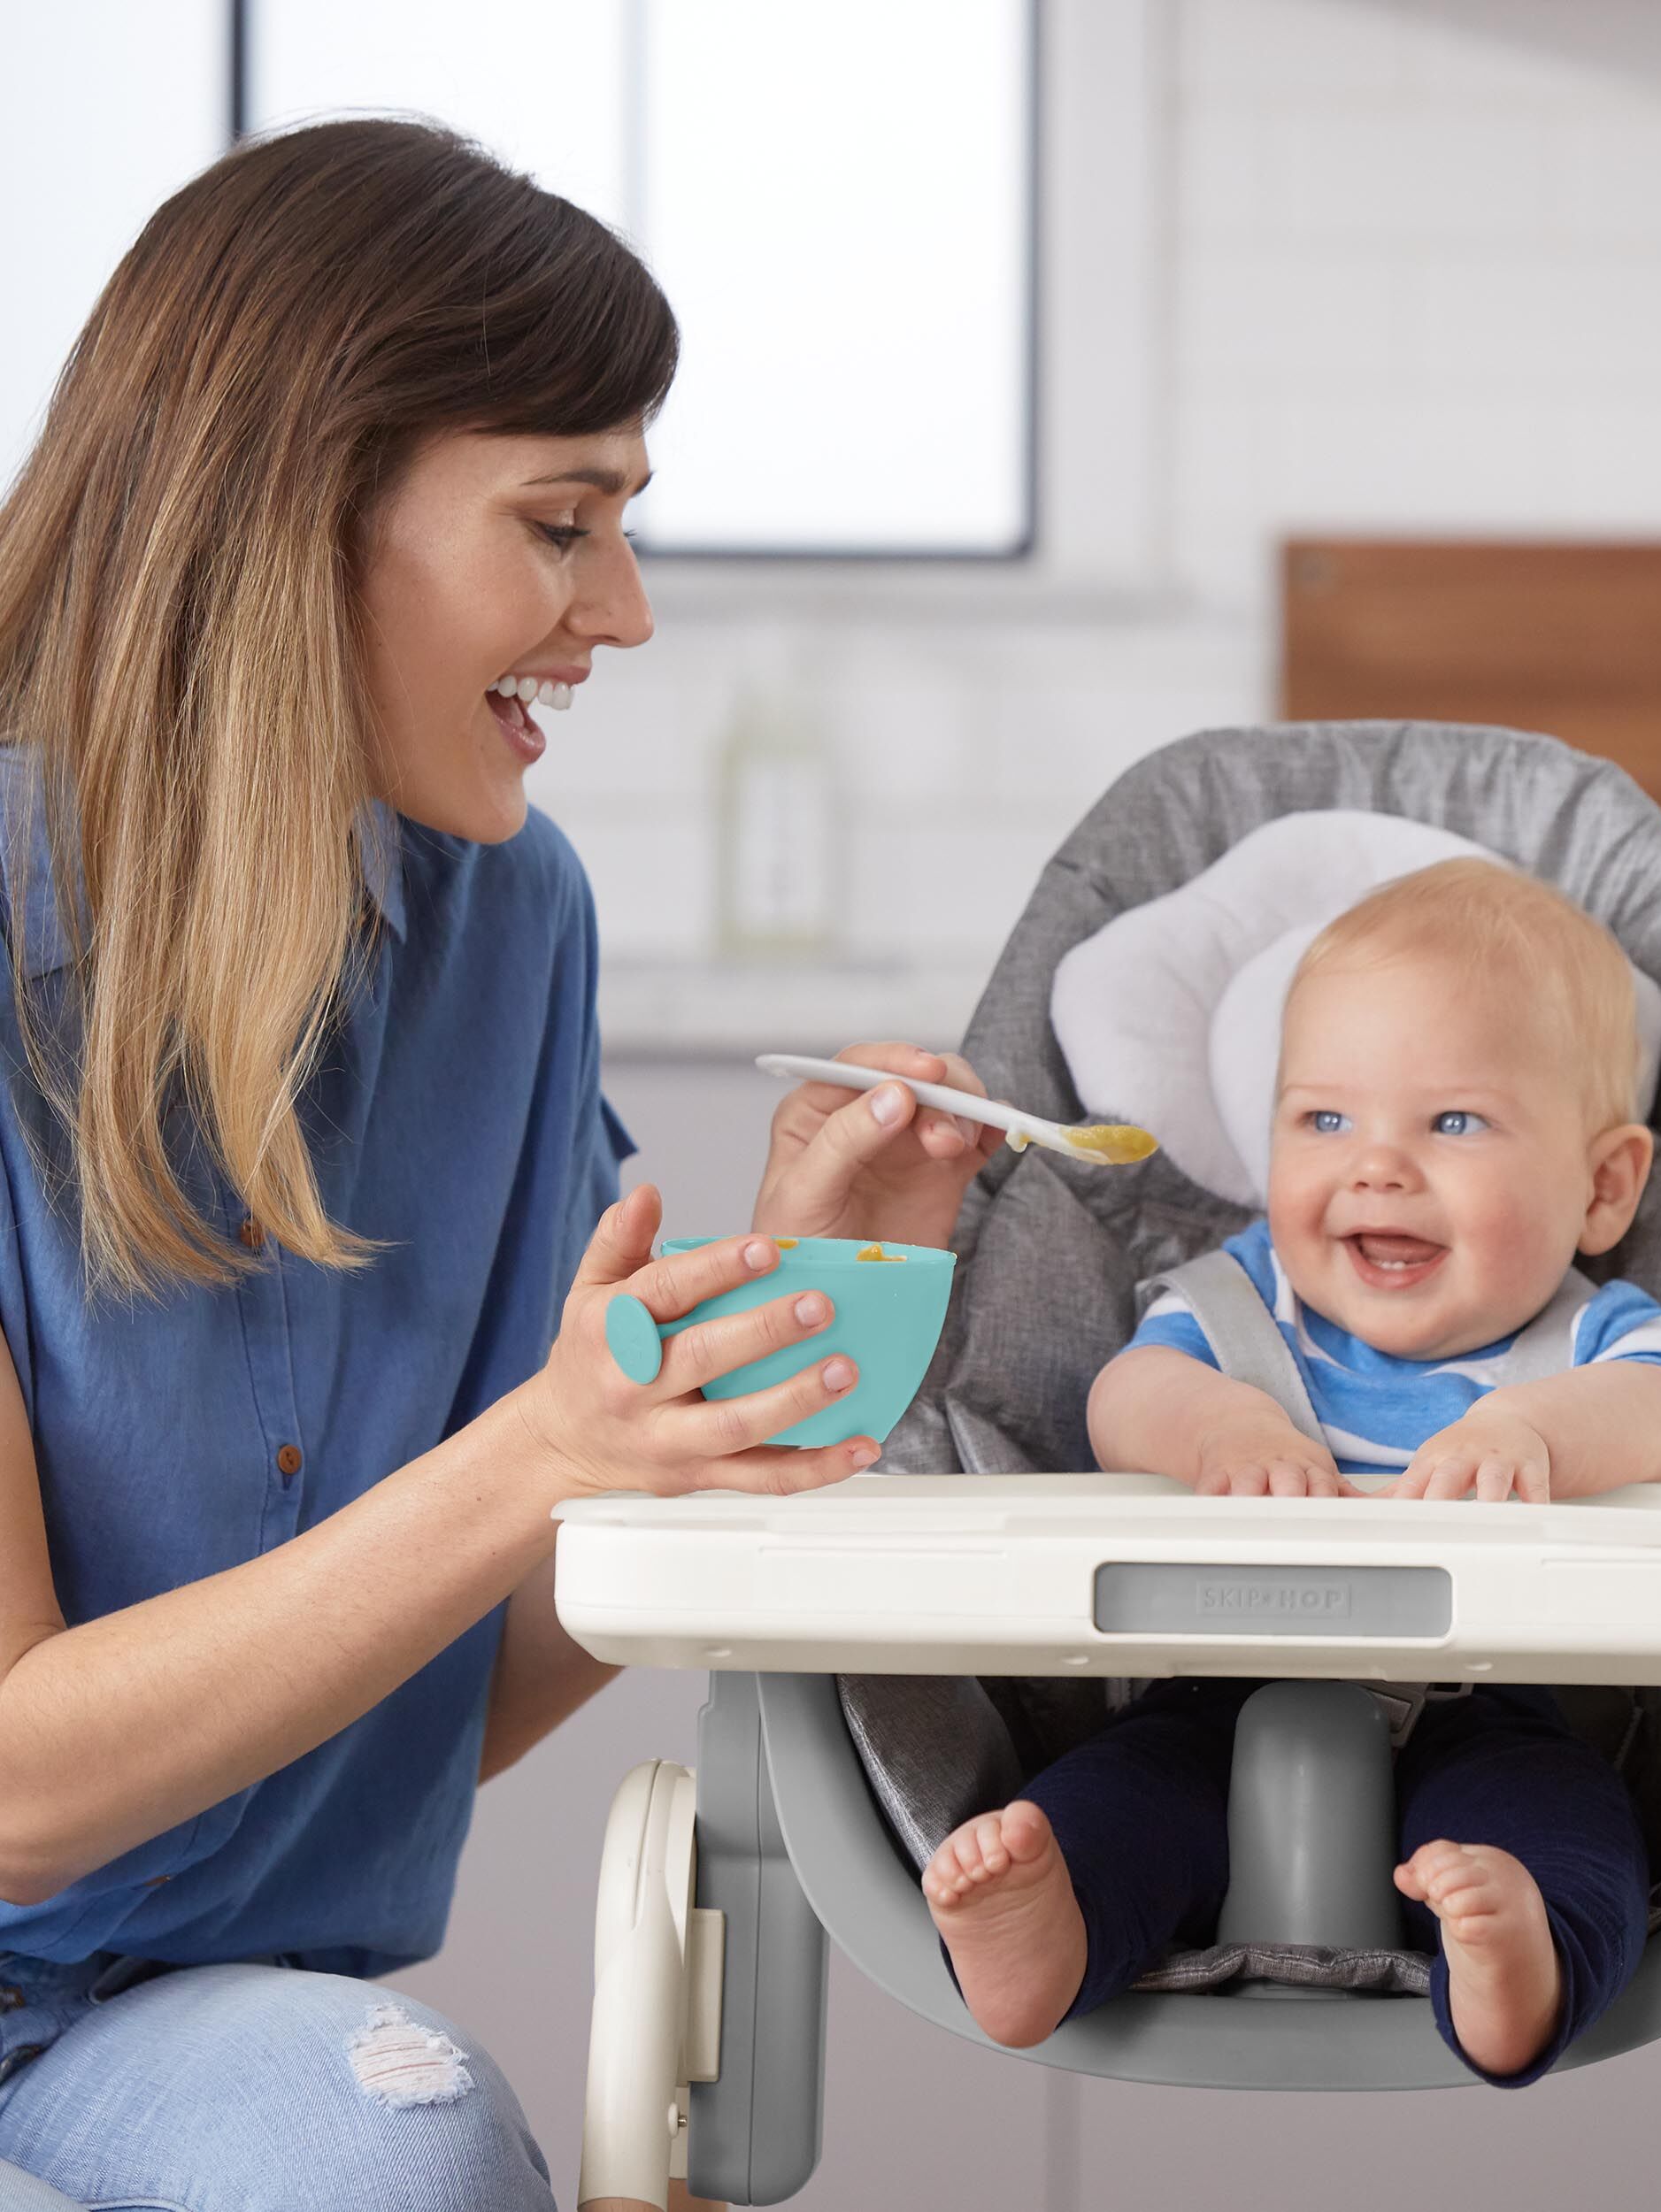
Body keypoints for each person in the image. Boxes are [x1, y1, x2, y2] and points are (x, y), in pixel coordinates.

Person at [0, 117, 998, 2207]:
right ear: (305, 503)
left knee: (406, 2139)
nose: (619, 614)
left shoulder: (507, 921)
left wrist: (751, 1344)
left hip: (181, 2024)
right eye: (561, 522)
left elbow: (440, 1705)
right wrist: (542, 1450)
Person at [922, 857, 1661, 2087]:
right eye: (1324, 1119)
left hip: (1502, 1709)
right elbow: (1124, 1395)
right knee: (1118, 1804)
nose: (1377, 1166)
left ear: (1605, 1185)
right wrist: (1218, 1432)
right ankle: (1045, 1934)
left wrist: (1540, 1438)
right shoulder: (1242, 1306)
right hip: (1214, 1694)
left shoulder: (1600, 1338)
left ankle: (1517, 1958)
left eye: (1453, 1122)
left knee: (1568, 1837)